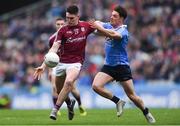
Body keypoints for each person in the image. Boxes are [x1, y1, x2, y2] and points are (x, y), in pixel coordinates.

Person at [89, 5, 156, 124]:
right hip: (109, 66)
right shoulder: (109, 26)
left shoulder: (123, 31)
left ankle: (146, 112)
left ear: (121, 19)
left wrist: (99, 28)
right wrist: (97, 27)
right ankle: (118, 101)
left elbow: (113, 35)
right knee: (96, 86)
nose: (111, 17)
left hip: (122, 67)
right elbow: (97, 24)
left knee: (132, 96)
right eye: (111, 15)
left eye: (114, 16)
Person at [34, 5, 94, 120]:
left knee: (69, 82)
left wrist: (110, 34)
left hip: (75, 63)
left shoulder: (85, 26)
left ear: (78, 16)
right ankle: (69, 103)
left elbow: (98, 29)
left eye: (71, 18)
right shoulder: (62, 31)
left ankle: (55, 109)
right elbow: (54, 48)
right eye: (67, 18)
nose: (68, 21)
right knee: (58, 89)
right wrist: (43, 65)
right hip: (60, 63)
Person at [48, 17, 87, 116]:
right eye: (58, 24)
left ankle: (80, 104)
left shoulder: (70, 33)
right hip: (57, 65)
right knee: (55, 87)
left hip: (70, 63)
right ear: (55, 25)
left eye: (62, 24)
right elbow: (50, 55)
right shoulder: (52, 39)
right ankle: (67, 104)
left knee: (72, 88)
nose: (60, 26)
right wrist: (49, 69)